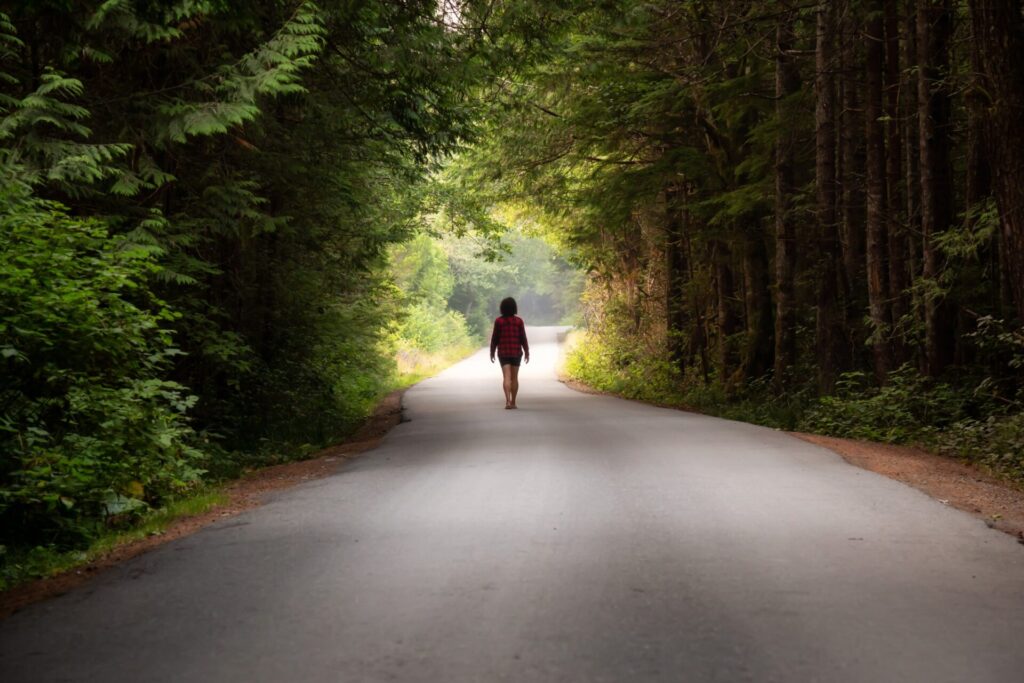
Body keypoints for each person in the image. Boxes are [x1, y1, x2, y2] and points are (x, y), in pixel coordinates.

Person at [489, 297, 530, 409]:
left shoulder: (499, 321)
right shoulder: (519, 321)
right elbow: (523, 338)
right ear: (514, 308)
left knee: (506, 377)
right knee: (515, 378)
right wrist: (527, 352)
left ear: (502, 308)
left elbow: (494, 338)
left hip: (503, 353)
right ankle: (513, 402)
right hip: (516, 352)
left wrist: (492, 352)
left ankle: (507, 401)